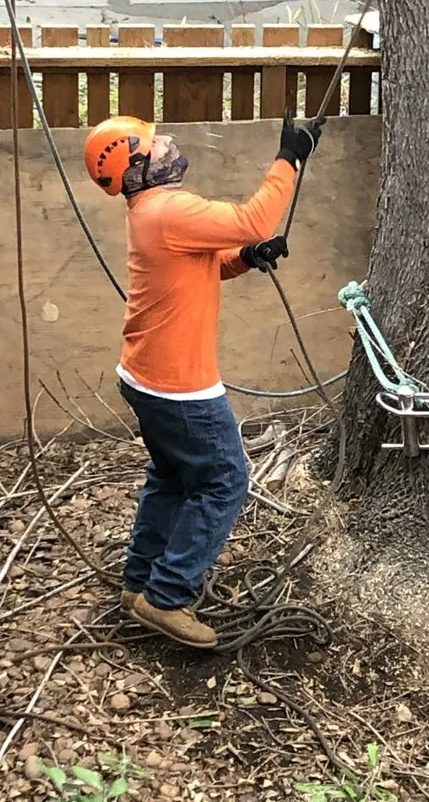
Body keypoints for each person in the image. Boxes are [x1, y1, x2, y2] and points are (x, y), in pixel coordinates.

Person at [83, 112, 323, 648]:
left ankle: (138, 583)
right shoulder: (169, 209)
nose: (169, 142)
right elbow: (255, 217)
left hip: (144, 375)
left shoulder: (152, 212)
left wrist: (245, 257)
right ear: (136, 167)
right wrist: (290, 158)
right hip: (179, 386)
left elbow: (203, 263)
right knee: (225, 481)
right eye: (155, 143)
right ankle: (166, 598)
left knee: (171, 477)